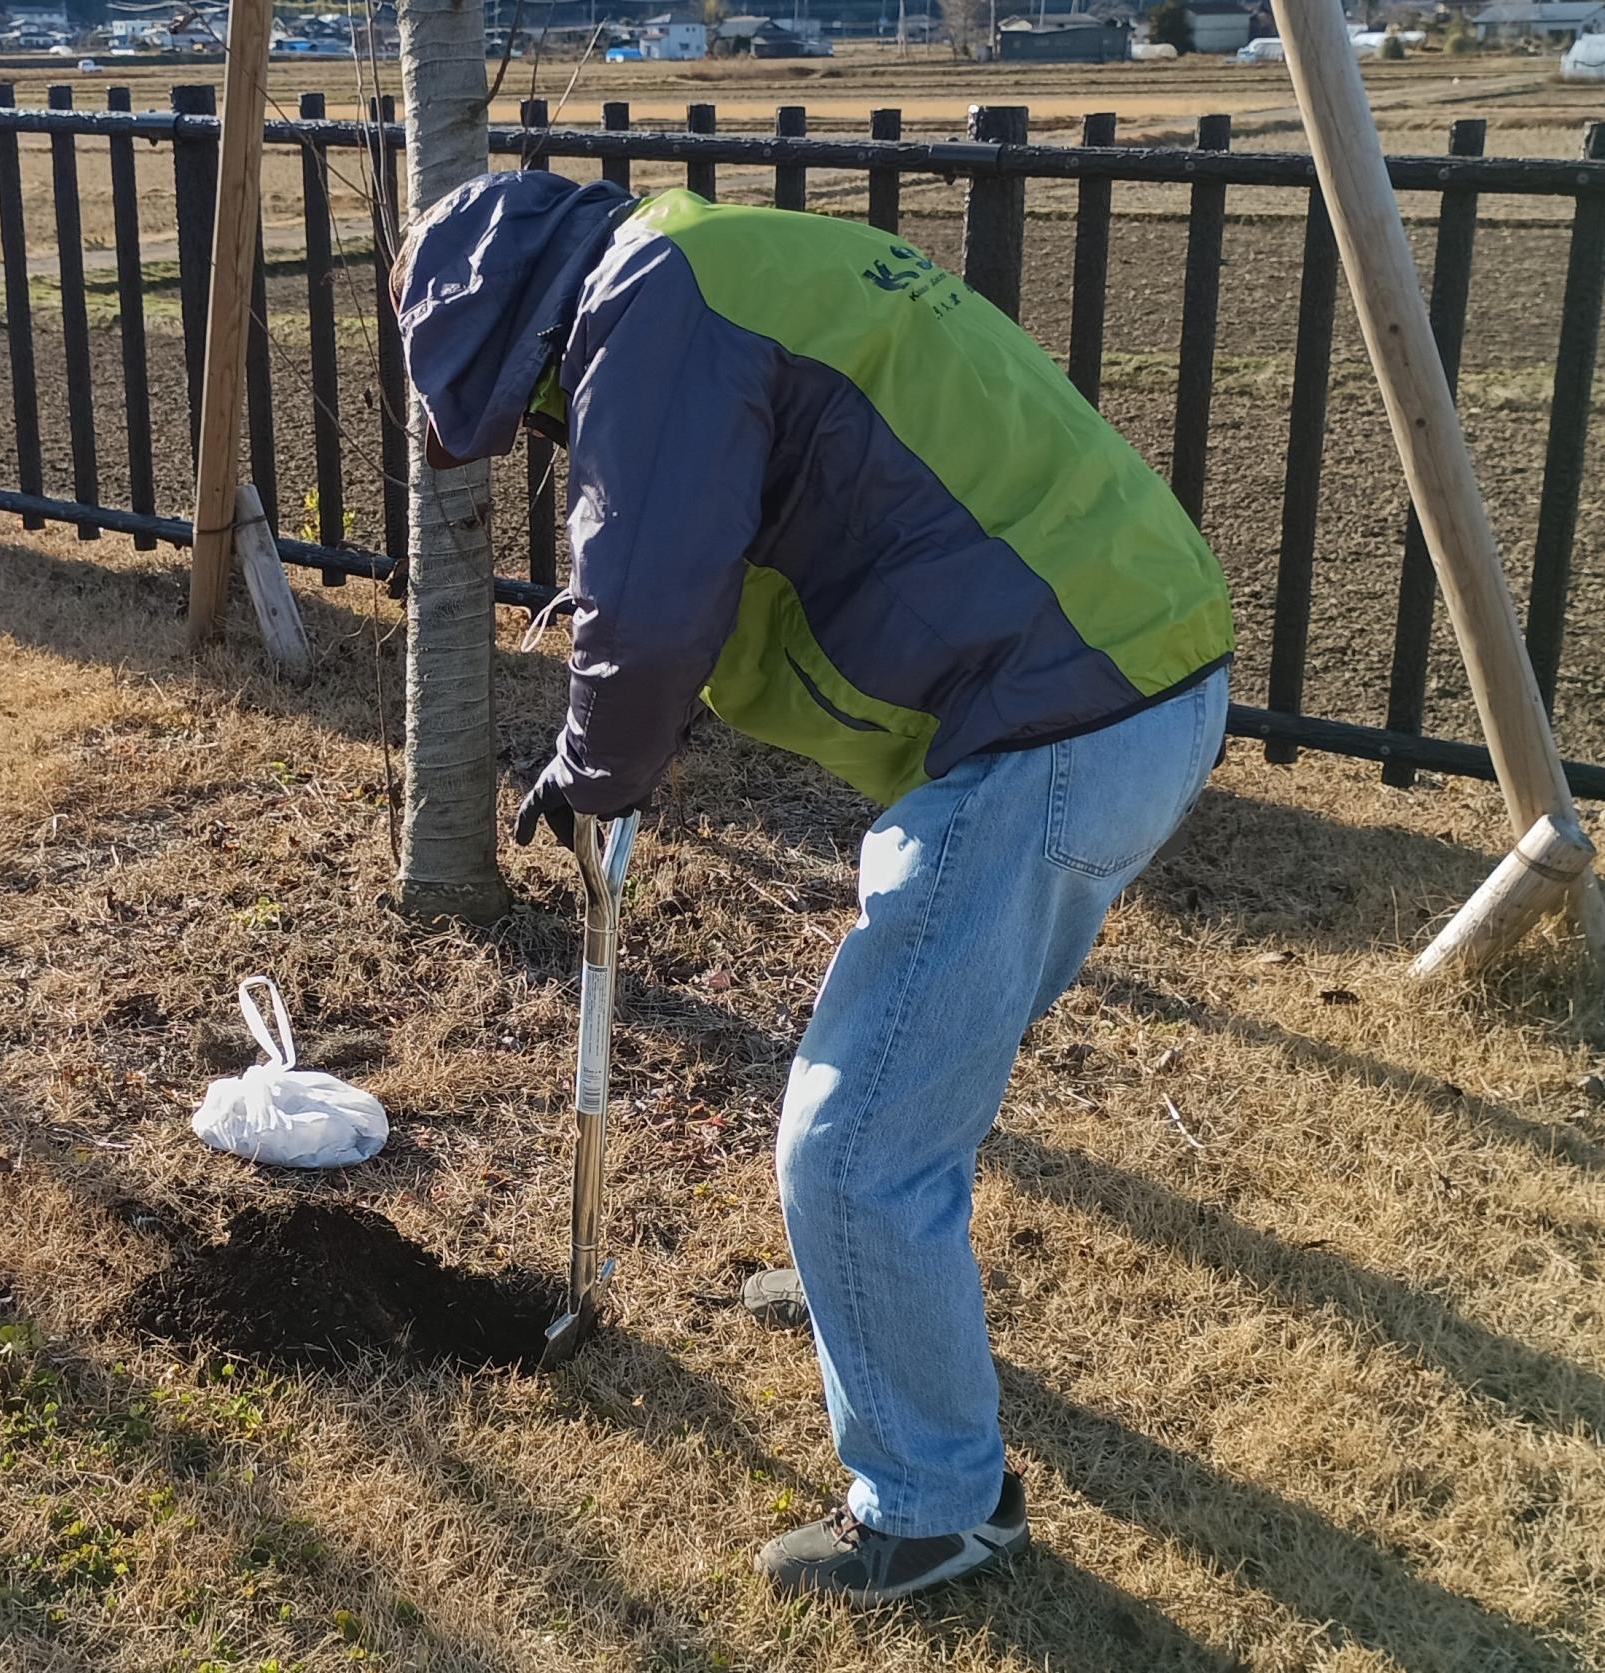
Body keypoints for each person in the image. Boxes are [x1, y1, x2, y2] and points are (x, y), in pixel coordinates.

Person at [394, 170, 1232, 1604]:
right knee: (908, 1097)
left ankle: (930, 1506)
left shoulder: (646, 311)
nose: (544, 432)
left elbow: (652, 602)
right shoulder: (716, 252)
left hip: (1053, 722)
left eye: (529, 411)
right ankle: (872, 1291)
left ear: (521, 334)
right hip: (1131, 662)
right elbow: (763, 515)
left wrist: (597, 759)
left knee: (850, 1149)